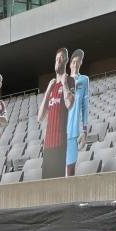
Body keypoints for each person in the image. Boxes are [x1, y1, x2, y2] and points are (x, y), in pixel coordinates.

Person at [39, 49, 70, 181]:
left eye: (62, 57)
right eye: (57, 58)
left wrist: (64, 83)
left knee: (57, 184)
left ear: (66, 61)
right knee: (45, 184)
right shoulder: (51, 87)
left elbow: (69, 104)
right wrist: (47, 91)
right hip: (48, 145)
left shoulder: (70, 81)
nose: (58, 60)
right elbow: (40, 117)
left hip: (60, 143)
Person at [65, 49, 90, 177]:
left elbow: (85, 107)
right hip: (60, 131)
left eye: (78, 62)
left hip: (73, 131)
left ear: (81, 63)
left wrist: (85, 131)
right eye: (73, 62)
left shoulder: (84, 80)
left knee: (70, 170)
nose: (75, 65)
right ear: (70, 64)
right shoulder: (64, 81)